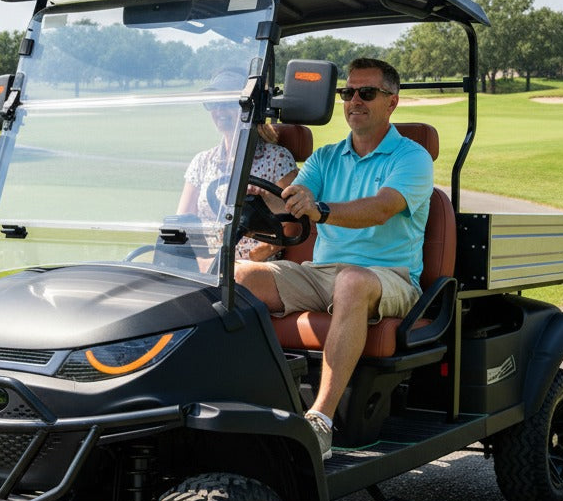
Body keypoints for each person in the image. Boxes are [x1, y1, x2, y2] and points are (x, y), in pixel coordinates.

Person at [236, 58, 433, 459]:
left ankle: (320, 422)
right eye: (347, 93)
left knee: (352, 282)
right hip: (321, 274)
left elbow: (379, 208)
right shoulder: (326, 158)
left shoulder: (411, 158)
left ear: (391, 102)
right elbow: (291, 201)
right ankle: (241, 402)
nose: (354, 101)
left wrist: (321, 210)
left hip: (388, 277)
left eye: (366, 93)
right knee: (238, 276)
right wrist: (264, 198)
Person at [178, 68, 298, 262]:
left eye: (227, 103)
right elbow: (183, 222)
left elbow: (289, 228)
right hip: (208, 264)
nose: (219, 111)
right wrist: (202, 262)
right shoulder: (201, 162)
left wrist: (243, 260)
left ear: (249, 109)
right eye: (215, 104)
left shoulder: (278, 159)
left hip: (254, 266)